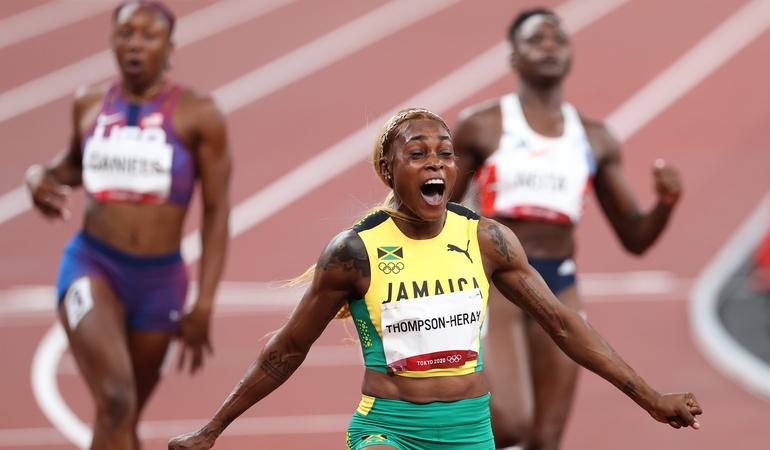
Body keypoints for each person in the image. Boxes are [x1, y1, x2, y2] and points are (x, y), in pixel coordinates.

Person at [167, 108, 699, 450]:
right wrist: (213, 429)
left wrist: (651, 398)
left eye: (445, 153)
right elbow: (286, 349)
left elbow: (563, 324)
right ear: (388, 169)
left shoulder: (486, 240)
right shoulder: (354, 252)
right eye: (417, 155)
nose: (435, 164)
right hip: (389, 430)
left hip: (470, 432)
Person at [450, 8, 684, 450]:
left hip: (558, 282)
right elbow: (438, 208)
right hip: (495, 280)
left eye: (558, 40)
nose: (549, 47)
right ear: (513, 56)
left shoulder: (595, 138)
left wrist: (666, 204)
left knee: (546, 438)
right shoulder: (482, 126)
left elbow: (635, 238)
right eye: (536, 40)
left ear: (572, 56)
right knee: (510, 423)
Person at [24, 1, 231, 449]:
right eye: (125, 33)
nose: (135, 44)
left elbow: (217, 212)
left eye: (148, 35)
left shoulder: (199, 114)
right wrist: (38, 177)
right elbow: (71, 166)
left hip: (160, 283)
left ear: (169, 46)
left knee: (123, 415)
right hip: (93, 266)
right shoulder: (89, 103)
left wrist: (204, 303)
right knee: (116, 401)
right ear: (112, 42)